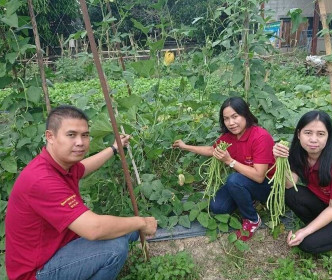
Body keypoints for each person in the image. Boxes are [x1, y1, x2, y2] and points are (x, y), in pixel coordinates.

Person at [5, 105, 157, 280]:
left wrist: (114, 148)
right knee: (115, 248)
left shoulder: (59, 165)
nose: (80, 142)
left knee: (127, 231)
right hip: (37, 272)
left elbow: (83, 168)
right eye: (71, 135)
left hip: (58, 248)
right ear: (50, 136)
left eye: (85, 135)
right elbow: (94, 229)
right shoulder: (41, 180)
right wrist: (141, 222)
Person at [172, 96, 275, 241]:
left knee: (233, 180)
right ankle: (248, 199)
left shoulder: (260, 137)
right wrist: (185, 146)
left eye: (235, 116)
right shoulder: (229, 137)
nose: (231, 123)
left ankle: (252, 219)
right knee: (218, 207)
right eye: (226, 119)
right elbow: (211, 150)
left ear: (245, 114)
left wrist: (230, 161)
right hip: (245, 181)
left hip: (266, 186)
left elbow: (259, 176)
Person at [273, 110, 332, 254]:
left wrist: (305, 231)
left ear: (328, 137)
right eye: (308, 133)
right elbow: (289, 184)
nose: (313, 139)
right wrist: (280, 159)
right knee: (290, 193)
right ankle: (329, 232)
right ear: (299, 134)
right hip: (325, 203)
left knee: (307, 244)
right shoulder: (299, 154)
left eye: (320, 134)